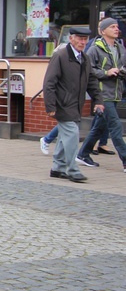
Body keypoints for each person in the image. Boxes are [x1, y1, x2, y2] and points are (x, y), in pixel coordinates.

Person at [43, 27, 103, 183]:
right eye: (80, 38)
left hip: (76, 104)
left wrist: (98, 100)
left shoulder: (85, 58)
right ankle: (72, 169)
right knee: (72, 135)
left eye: (85, 39)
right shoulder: (60, 56)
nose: (83, 42)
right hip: (62, 103)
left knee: (65, 137)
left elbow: (91, 81)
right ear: (71, 39)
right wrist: (50, 106)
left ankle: (57, 167)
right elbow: (49, 82)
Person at [75, 18, 126, 170]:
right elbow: (87, 70)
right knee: (116, 127)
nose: (116, 29)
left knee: (99, 127)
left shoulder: (120, 48)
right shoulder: (95, 48)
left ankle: (83, 154)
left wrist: (121, 72)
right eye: (112, 27)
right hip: (102, 94)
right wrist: (106, 72)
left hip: (116, 92)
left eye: (117, 27)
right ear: (103, 31)